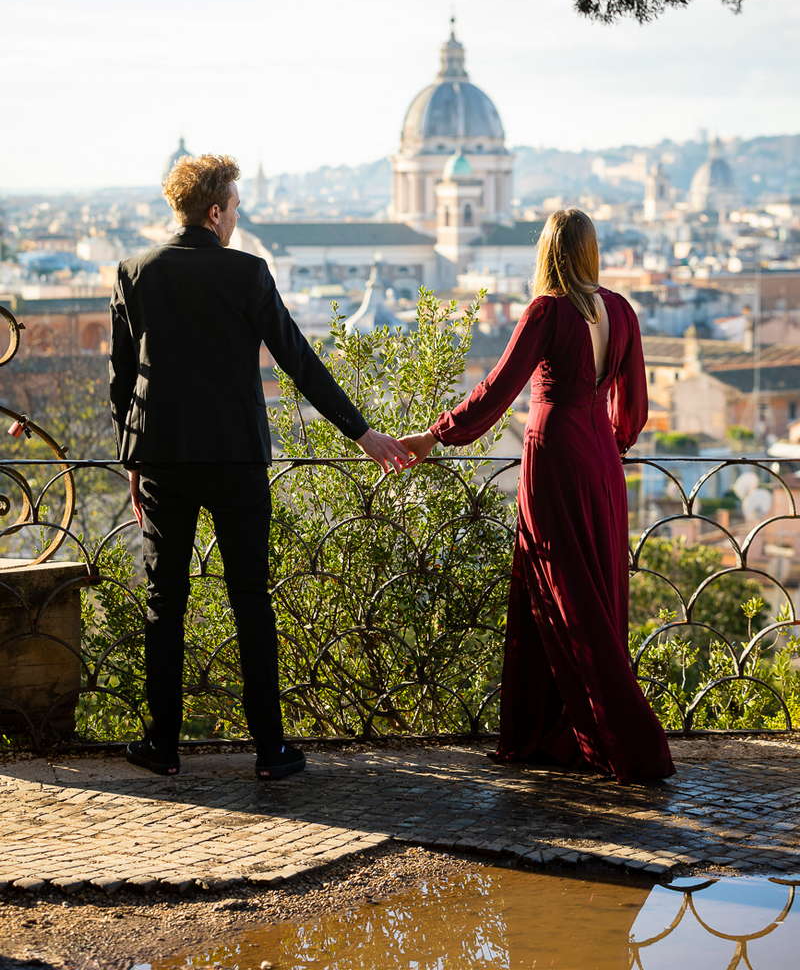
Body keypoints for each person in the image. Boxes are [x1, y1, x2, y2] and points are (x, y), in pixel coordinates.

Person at [109, 154, 411, 780]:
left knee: (165, 602)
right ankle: (270, 751)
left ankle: (161, 745)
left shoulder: (134, 272)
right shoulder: (248, 274)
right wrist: (360, 431)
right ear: (215, 212)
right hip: (238, 459)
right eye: (236, 208)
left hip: (163, 457)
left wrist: (130, 461)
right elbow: (298, 360)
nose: (238, 217)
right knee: (251, 599)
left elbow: (122, 382)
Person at [400, 209, 675, 784]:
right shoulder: (620, 309)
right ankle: (554, 733)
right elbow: (636, 408)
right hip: (601, 460)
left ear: (548, 252)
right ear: (591, 250)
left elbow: (498, 387)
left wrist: (435, 434)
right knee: (591, 590)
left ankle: (628, 739)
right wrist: (607, 443)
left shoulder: (547, 310)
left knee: (563, 592)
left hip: (554, 460)